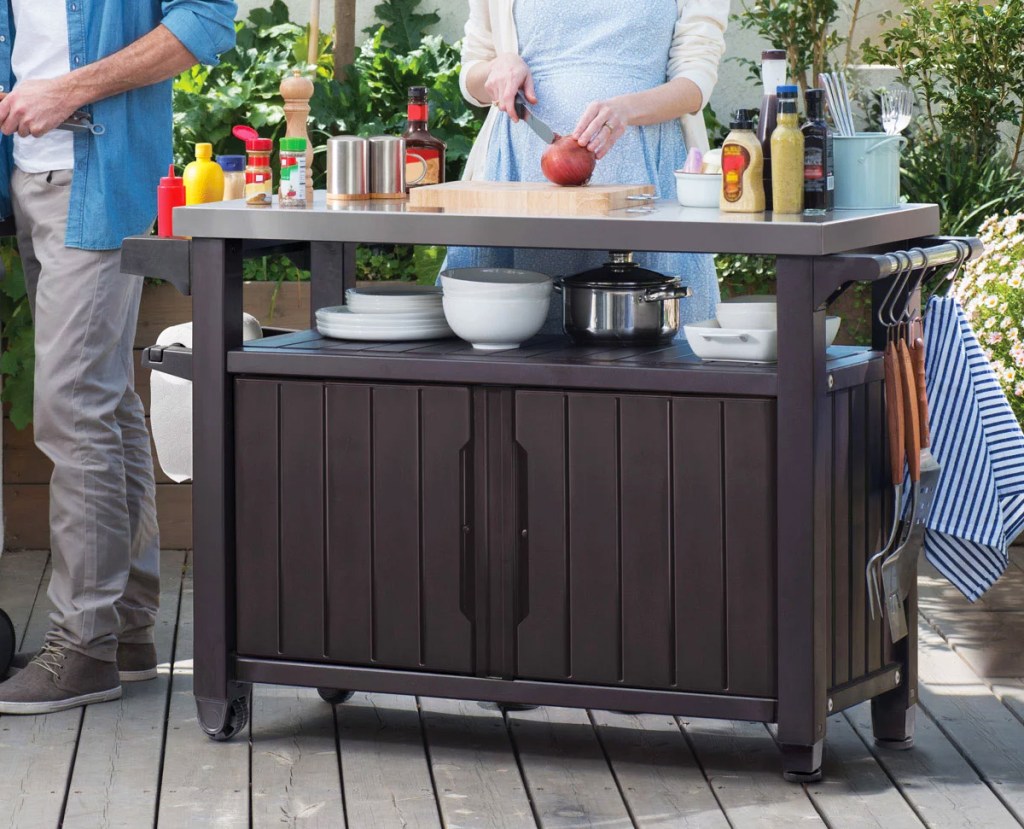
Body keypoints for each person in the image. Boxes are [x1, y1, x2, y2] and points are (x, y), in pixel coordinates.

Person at [0, 0, 237, 715]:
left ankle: (82, 647)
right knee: (105, 397)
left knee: (74, 406)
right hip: (28, 174)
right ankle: (127, 628)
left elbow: (207, 22)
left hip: (97, 177)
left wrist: (69, 89)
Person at [448, 0, 730, 329]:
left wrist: (628, 109)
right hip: (522, 177)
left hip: (644, 182)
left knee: (657, 349)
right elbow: (472, 75)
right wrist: (499, 67)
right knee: (507, 341)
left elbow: (697, 81)